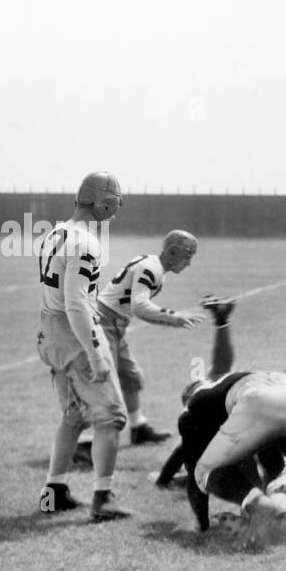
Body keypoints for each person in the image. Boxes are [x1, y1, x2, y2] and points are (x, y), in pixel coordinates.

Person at [173, 300, 286, 540]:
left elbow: (194, 472)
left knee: (205, 472)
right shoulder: (229, 382)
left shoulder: (194, 410)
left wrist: (201, 525)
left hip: (260, 403)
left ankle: (262, 506)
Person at [35, 171, 131, 521]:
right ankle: (102, 498)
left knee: (73, 414)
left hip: (49, 332)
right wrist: (94, 351)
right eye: (115, 202)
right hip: (74, 333)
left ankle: (54, 491)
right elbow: (76, 303)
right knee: (111, 416)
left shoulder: (54, 234)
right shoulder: (86, 243)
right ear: (104, 202)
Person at [96, 229, 205, 445]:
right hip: (104, 322)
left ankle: (138, 427)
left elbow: (138, 310)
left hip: (115, 323)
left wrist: (172, 321)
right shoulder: (152, 269)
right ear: (172, 252)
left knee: (131, 377)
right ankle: (86, 441)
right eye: (188, 256)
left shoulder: (155, 267)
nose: (189, 263)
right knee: (103, 383)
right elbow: (140, 306)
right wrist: (174, 316)